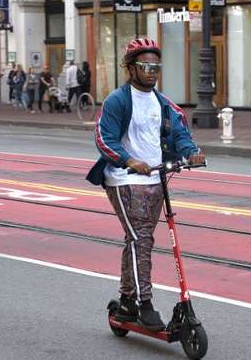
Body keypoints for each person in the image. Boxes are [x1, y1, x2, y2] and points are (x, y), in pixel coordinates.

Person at [86, 37, 205, 331]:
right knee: (141, 239)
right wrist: (127, 160)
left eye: (156, 66)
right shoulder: (118, 100)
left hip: (155, 177)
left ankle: (126, 301)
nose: (152, 71)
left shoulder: (163, 103)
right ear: (130, 68)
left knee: (138, 239)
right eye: (145, 66)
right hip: (124, 179)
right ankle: (143, 302)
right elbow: (105, 139)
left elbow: (180, 132)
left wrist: (191, 152)